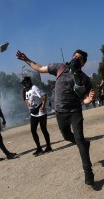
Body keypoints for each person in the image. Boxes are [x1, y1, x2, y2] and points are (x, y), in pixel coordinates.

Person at [16, 49, 95, 186]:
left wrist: (88, 100)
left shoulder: (84, 79)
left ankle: (88, 172)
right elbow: (40, 68)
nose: (76, 58)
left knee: (79, 139)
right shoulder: (60, 67)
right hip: (60, 112)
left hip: (75, 111)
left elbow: (86, 99)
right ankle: (84, 143)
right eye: (75, 56)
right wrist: (26, 59)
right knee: (66, 136)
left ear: (83, 63)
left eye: (79, 58)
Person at [20, 76, 52, 156]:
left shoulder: (34, 88)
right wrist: (29, 107)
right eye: (22, 83)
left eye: (24, 83)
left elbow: (44, 95)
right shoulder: (26, 90)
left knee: (43, 129)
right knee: (33, 130)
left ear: (28, 82)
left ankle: (48, 146)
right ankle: (39, 148)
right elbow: (27, 100)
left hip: (41, 112)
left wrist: (44, 106)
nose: (23, 85)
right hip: (33, 113)